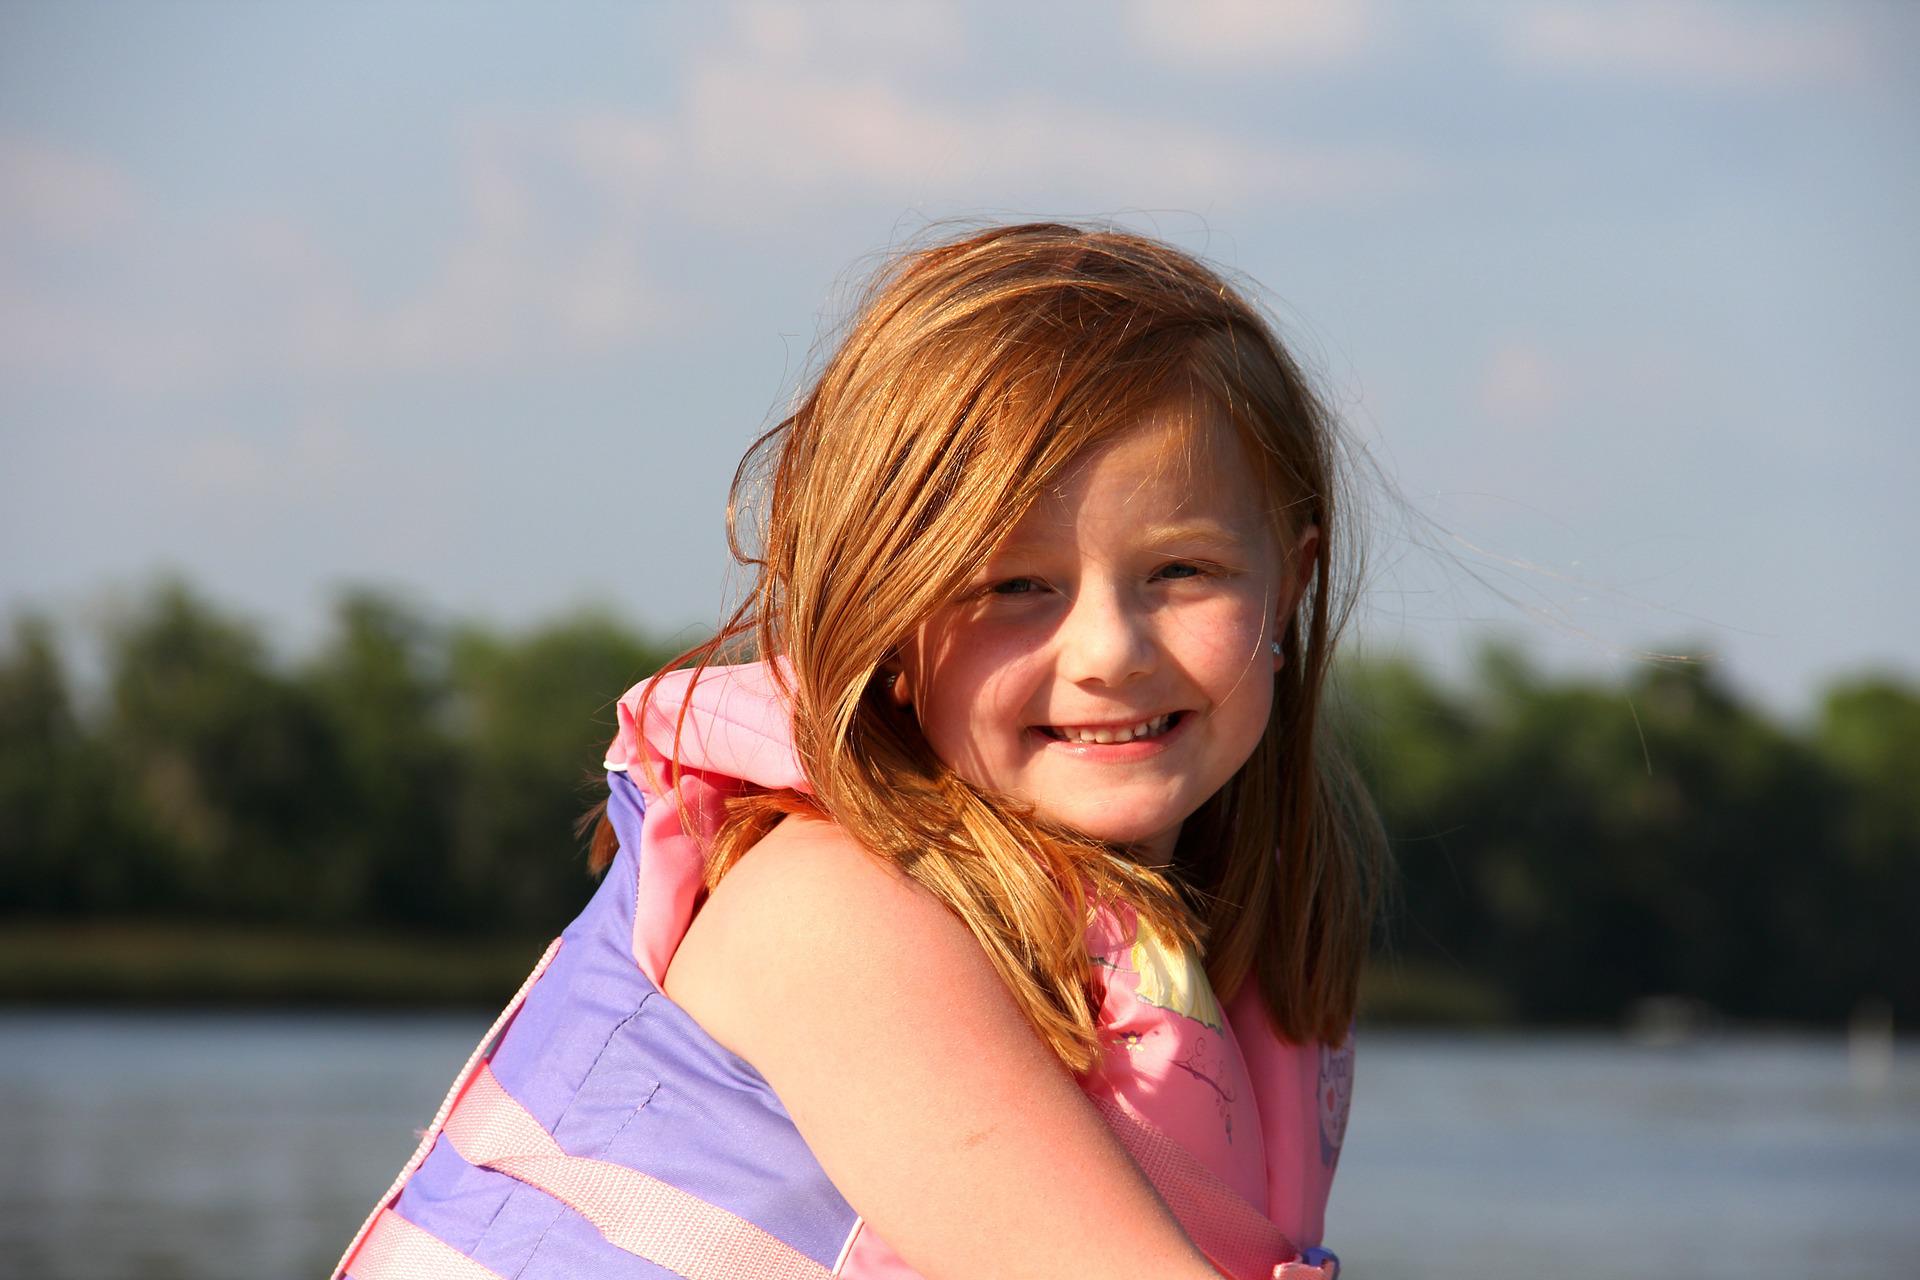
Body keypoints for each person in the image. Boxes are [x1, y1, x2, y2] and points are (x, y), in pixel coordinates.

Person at [333, 222, 1381, 1280]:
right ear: (885, 620)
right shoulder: (832, 913)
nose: (1111, 649)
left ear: (1288, 586)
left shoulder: (1220, 953)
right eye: (1016, 585)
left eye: (1184, 570)